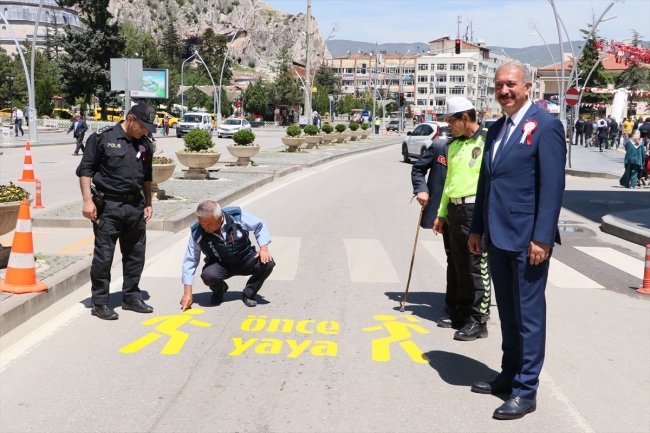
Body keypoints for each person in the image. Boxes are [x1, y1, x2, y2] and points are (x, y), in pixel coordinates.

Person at [468, 60, 565, 420]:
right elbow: (485, 184)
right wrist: (477, 228)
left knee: (529, 317)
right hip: (497, 237)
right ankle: (509, 375)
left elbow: (552, 187)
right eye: (499, 85)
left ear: (527, 87)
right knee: (507, 313)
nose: (504, 91)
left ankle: (526, 390)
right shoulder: (495, 129)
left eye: (511, 84)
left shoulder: (546, 126)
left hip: (528, 241)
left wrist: (542, 238)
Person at [76, 101, 157, 320]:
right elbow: (85, 170)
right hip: (108, 207)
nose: (145, 132)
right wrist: (87, 201)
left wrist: (148, 202)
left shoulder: (145, 144)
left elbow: (147, 176)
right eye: (142, 127)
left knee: (135, 255)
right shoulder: (103, 138)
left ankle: (131, 297)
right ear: (130, 119)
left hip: (135, 207)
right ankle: (100, 302)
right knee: (104, 257)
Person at [432, 97, 491, 341]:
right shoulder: (453, 145)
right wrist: (441, 214)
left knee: (476, 266)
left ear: (465, 117)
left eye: (451, 120)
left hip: (474, 208)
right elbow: (448, 182)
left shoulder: (487, 140)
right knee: (458, 266)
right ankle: (462, 313)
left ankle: (479, 321)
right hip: (455, 210)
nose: (449, 126)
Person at [180, 200, 275, 310]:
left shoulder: (236, 216)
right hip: (221, 264)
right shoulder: (197, 232)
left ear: (220, 218)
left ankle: (249, 294)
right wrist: (187, 293)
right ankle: (219, 291)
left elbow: (259, 225)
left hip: (246, 259)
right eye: (202, 224)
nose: (206, 228)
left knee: (268, 262)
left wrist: (264, 248)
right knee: (208, 275)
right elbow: (190, 260)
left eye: (210, 224)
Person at [411, 131, 458, 322]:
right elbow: (418, 169)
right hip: (445, 213)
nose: (451, 127)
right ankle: (453, 303)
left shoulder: (480, 145)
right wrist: (421, 189)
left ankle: (475, 306)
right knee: (453, 259)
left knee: (472, 261)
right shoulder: (440, 146)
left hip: (471, 211)